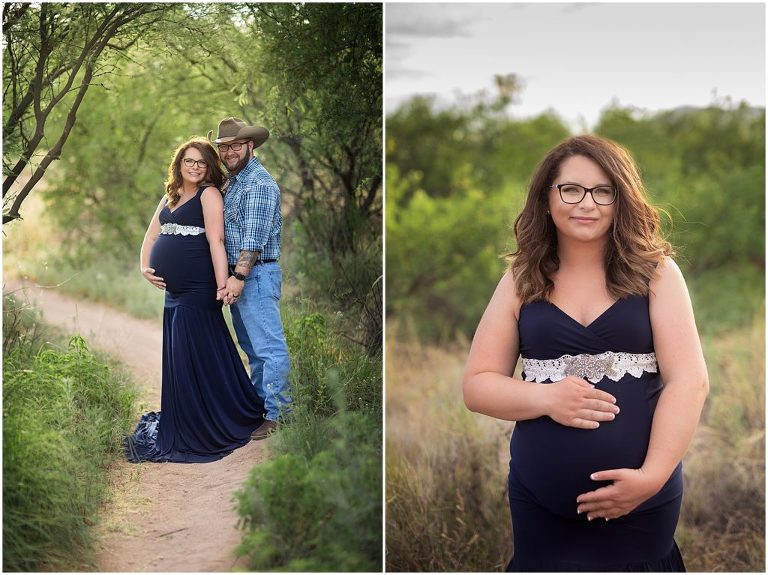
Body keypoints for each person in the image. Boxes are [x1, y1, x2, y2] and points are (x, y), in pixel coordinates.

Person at [462, 135, 709, 571]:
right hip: (540, 506)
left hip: (641, 505)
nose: (586, 204)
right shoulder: (521, 278)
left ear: (621, 198)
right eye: (571, 189)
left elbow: (690, 382)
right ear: (546, 198)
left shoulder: (657, 273)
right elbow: (477, 386)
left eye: (603, 191)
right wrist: (546, 398)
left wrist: (649, 479)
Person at [126, 137, 265, 463]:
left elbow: (217, 241)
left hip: (199, 287)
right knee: (181, 354)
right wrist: (144, 268)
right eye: (189, 161)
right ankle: (188, 416)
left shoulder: (209, 194)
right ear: (179, 164)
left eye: (201, 162)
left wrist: (221, 286)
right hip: (173, 293)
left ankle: (221, 417)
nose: (194, 166)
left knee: (199, 350)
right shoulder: (169, 196)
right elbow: (151, 236)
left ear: (208, 167)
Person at [209, 117, 291, 440]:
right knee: (253, 349)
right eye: (225, 147)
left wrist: (239, 276)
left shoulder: (259, 183)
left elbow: (253, 239)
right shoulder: (236, 180)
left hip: (255, 275)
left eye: (235, 146)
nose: (229, 152)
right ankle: (262, 407)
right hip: (240, 277)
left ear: (250, 145)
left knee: (269, 347)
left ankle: (279, 414)